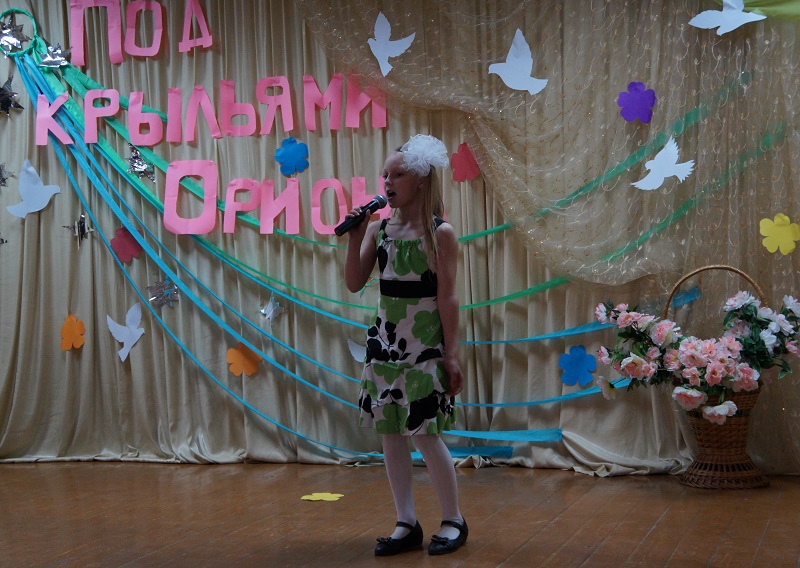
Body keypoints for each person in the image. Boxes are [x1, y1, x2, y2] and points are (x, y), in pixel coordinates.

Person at [343, 134, 467, 557]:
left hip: (424, 346)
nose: (387, 182)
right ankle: (406, 521)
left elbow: (448, 298)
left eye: (397, 175)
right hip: (384, 345)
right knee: (390, 433)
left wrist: (451, 354)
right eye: (385, 175)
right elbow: (354, 282)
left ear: (420, 180)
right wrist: (354, 237)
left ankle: (453, 519)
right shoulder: (379, 230)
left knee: (425, 433)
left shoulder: (440, 234)